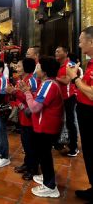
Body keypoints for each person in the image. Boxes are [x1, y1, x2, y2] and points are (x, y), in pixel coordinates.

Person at [20, 57, 63, 198]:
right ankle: (46, 176)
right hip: (44, 126)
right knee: (43, 154)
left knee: (45, 155)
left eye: (38, 67)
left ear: (44, 71)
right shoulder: (46, 84)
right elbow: (39, 99)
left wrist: (27, 93)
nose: (36, 70)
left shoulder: (49, 85)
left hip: (46, 126)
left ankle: (50, 186)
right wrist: (29, 91)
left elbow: (35, 107)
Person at [67, 26, 93, 203]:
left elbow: (91, 93)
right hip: (85, 112)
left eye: (81, 40)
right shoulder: (90, 63)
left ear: (91, 42)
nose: (79, 43)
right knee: (89, 152)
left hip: (91, 114)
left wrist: (74, 78)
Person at [7, 58, 39, 180]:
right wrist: (13, 93)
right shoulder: (22, 80)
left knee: (31, 144)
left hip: (30, 118)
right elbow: (19, 97)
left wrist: (15, 92)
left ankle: (33, 168)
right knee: (25, 143)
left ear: (26, 68)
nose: (17, 68)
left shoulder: (32, 80)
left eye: (19, 66)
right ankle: (27, 164)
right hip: (23, 115)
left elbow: (32, 99)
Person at [55, 46, 79, 157]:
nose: (56, 53)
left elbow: (66, 80)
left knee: (70, 122)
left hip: (69, 97)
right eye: (55, 51)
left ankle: (74, 147)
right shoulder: (58, 65)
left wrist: (55, 78)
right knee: (58, 120)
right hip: (60, 97)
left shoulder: (70, 65)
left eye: (58, 51)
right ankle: (59, 143)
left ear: (66, 53)